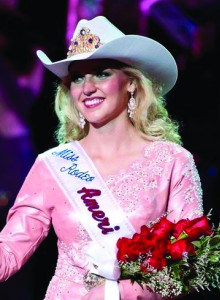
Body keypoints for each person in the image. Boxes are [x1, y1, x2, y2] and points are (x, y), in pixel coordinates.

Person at [0, 16, 203, 299]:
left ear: (131, 83)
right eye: (77, 78)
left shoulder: (172, 161)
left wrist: (116, 292)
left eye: (102, 73)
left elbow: (190, 265)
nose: (87, 88)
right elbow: (9, 249)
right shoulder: (54, 165)